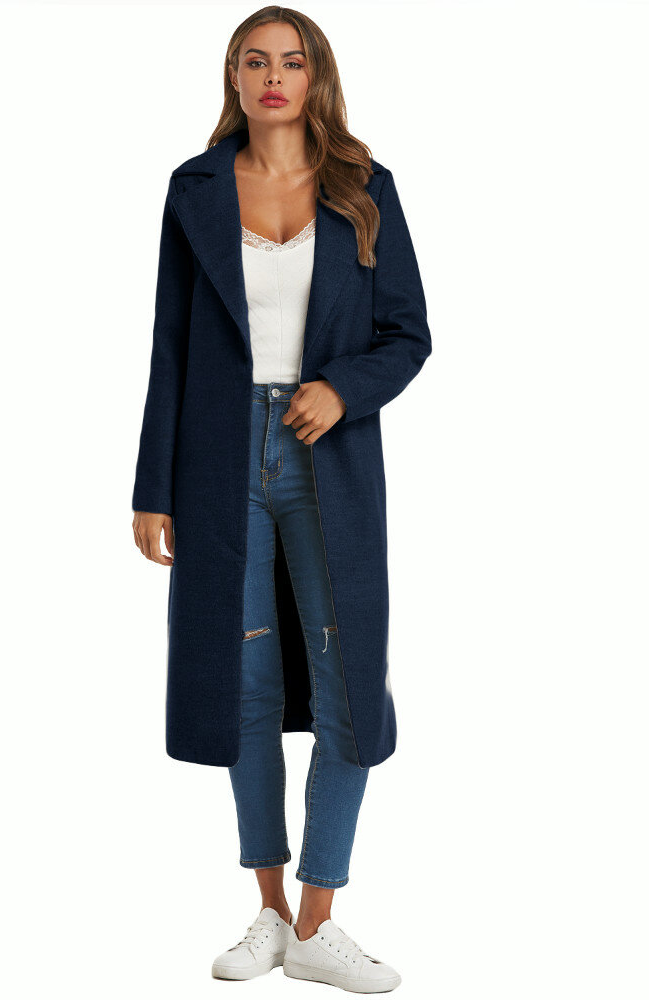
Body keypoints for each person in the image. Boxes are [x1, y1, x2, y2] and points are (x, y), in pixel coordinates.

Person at [132, 7, 431, 992]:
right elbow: (171, 346)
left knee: (350, 683)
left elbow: (409, 334)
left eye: (290, 61)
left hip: (326, 458)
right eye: (254, 61)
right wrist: (152, 486)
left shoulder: (364, 188)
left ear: (315, 77)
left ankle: (318, 920)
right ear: (235, 76)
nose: (273, 76)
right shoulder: (195, 190)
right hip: (218, 460)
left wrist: (343, 387)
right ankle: (267, 912)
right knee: (244, 683)